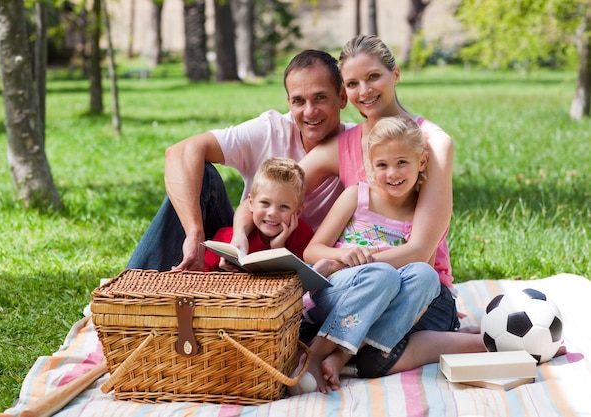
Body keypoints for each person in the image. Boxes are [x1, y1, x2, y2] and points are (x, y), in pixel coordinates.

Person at [289, 34, 485, 381]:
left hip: (418, 293)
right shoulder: (344, 145)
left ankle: (362, 348)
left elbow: (421, 250)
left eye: (373, 77)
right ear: (345, 93)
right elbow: (282, 185)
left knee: (389, 326)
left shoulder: (434, 144)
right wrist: (243, 226)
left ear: (395, 74)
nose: (364, 90)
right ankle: (419, 346)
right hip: (356, 287)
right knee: (374, 347)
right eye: (352, 83)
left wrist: (351, 263)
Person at [126, 49, 352, 272]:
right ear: (288, 102)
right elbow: (180, 152)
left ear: (342, 98)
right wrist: (195, 233)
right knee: (201, 174)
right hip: (246, 243)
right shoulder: (271, 129)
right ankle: (129, 290)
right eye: (299, 101)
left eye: (320, 98)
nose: (310, 111)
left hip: (304, 256)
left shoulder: (360, 144)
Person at [300, 115, 447, 393]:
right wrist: (344, 257)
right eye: (382, 165)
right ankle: (314, 355)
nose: (392, 173)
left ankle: (341, 355)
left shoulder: (421, 212)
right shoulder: (357, 196)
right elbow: (311, 251)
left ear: (422, 162)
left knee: (425, 276)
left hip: (383, 301)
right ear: (370, 165)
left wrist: (410, 306)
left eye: (402, 162)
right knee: (381, 274)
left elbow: (423, 280)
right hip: (339, 290)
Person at [204, 157, 313, 271]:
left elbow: (300, 281)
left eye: (284, 207)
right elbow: (200, 276)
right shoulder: (227, 239)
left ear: (298, 212)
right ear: (251, 203)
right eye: (265, 203)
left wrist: (278, 249)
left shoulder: (303, 237)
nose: (272, 213)